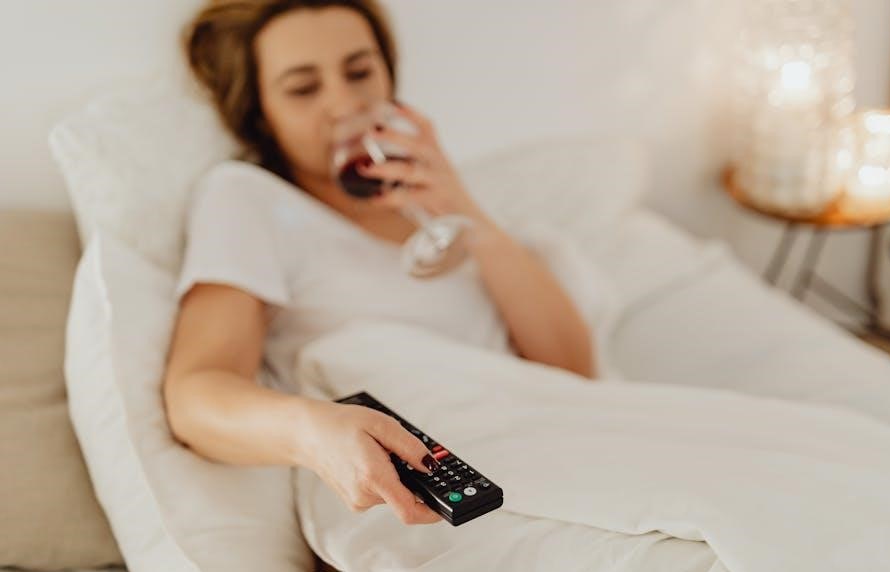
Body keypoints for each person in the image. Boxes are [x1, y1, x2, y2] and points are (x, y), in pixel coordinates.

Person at [162, 0, 595, 529]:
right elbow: (196, 396)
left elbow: (573, 373)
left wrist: (465, 212)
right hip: (422, 491)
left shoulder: (437, 208)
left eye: (360, 72)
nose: (346, 104)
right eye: (303, 88)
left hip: (551, 438)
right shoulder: (247, 198)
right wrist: (314, 430)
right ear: (261, 115)